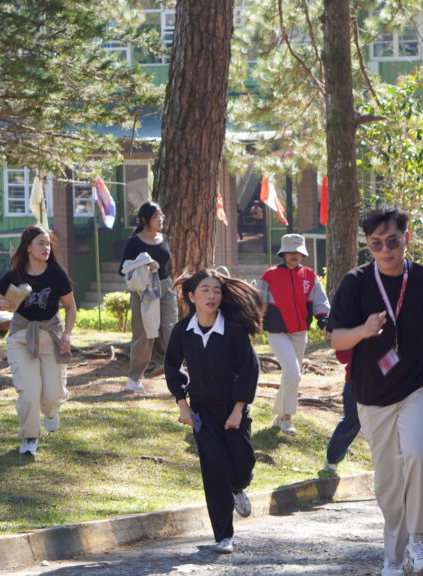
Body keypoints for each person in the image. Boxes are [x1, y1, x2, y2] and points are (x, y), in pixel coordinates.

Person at [329, 206, 423, 576]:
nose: (386, 250)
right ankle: (394, 555)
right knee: (389, 482)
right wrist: (363, 330)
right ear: (367, 245)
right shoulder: (355, 283)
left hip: (420, 386)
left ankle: (420, 539)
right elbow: (336, 338)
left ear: (407, 237)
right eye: (376, 244)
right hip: (372, 395)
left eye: (393, 241)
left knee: (420, 454)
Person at [164, 269, 263, 555]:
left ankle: (239, 486)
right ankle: (223, 535)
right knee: (214, 471)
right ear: (192, 296)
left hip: (234, 410)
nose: (211, 295)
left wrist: (238, 410)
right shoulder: (182, 331)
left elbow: (249, 369)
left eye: (216, 291)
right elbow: (172, 367)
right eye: (205, 290)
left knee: (242, 465)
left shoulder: (233, 330)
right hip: (202, 413)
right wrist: (183, 405)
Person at [0, 225, 76, 457]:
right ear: (28, 247)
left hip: (51, 335)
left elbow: (70, 307)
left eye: (48, 244)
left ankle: (51, 412)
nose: (46, 248)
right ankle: (30, 436)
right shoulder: (14, 276)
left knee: (52, 395)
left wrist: (67, 334)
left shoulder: (56, 274)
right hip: (22, 337)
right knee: (29, 391)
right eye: (40, 243)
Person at [256, 233, 330, 435]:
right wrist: (253, 322)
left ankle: (279, 415)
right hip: (277, 332)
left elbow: (320, 302)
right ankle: (287, 418)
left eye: (297, 252)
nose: (294, 255)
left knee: (291, 375)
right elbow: (257, 302)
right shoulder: (269, 275)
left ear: (303, 254)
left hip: (300, 332)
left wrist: (325, 322)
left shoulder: (309, 275)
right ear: (283, 253)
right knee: (293, 373)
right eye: (290, 251)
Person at [120, 202, 178, 393]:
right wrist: (144, 265)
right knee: (143, 335)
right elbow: (123, 269)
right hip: (143, 291)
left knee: (171, 329)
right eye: (156, 216)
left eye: (161, 216)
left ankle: (177, 374)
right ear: (145, 220)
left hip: (166, 287)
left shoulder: (165, 238)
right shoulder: (134, 242)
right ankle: (134, 378)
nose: (160, 219)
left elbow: (167, 265)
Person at [323, 347, 360, 473]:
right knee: (352, 420)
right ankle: (333, 459)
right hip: (355, 381)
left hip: (385, 382)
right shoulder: (352, 333)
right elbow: (342, 356)